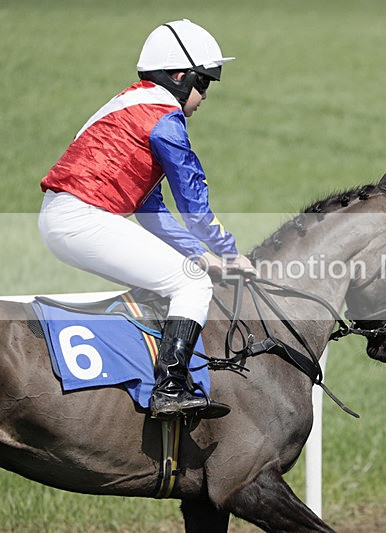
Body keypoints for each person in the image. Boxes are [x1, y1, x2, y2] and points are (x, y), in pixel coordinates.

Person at [37, 19, 255, 419]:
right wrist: (229, 252)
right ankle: (169, 389)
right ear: (179, 76)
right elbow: (194, 205)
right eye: (202, 83)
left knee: (177, 276)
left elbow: (151, 209)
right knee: (191, 284)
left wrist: (198, 254)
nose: (204, 96)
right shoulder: (164, 118)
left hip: (66, 218)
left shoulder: (135, 105)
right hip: (84, 219)